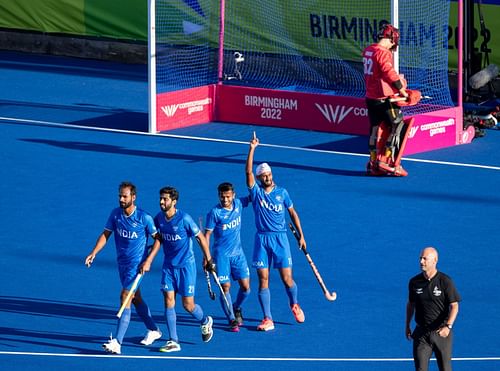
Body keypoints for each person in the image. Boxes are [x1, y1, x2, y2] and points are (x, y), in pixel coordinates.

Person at [85, 181, 163, 355]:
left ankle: (117, 342)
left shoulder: (144, 218)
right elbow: (106, 234)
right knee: (135, 298)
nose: (121, 199)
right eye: (120, 195)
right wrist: (94, 253)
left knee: (125, 296)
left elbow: (158, 239)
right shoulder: (115, 215)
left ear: (133, 197)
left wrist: (148, 260)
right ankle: (154, 329)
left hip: (137, 266)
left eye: (125, 196)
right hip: (122, 264)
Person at [245, 132, 306, 331]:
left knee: (286, 278)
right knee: (263, 279)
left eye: (269, 175)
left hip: (281, 239)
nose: (267, 178)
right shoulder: (256, 193)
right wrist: (252, 149)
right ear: (260, 178)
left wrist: (301, 236)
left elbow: (293, 213)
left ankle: (294, 304)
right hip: (262, 240)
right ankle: (267, 318)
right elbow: (247, 174)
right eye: (263, 176)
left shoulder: (283, 193)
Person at [152, 186, 215, 352]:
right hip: (168, 266)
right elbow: (156, 237)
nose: (161, 202)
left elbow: (200, 238)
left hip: (186, 267)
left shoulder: (184, 219)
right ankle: (173, 340)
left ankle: (205, 321)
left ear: (174, 201)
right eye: (160, 198)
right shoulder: (158, 218)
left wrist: (209, 259)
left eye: (165, 199)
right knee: (168, 300)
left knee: (188, 305)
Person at [362, 23, 409, 176]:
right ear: (391, 38)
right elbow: (388, 72)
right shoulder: (383, 53)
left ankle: (373, 162)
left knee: (375, 129)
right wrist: (402, 89)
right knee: (397, 124)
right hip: (383, 98)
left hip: (370, 97)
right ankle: (387, 161)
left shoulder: (368, 50)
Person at [204, 182, 251, 332]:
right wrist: (207, 256)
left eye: (227, 197)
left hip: (238, 254)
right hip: (221, 256)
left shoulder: (238, 204)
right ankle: (231, 319)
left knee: (246, 288)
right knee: (226, 288)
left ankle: (236, 307)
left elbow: (253, 197)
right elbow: (207, 235)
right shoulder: (214, 213)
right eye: (222, 197)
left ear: (233, 196)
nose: (224, 200)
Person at [405, 247, 461, 371]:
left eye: (425, 259)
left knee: (445, 369)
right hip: (421, 334)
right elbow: (411, 304)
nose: (421, 262)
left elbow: (455, 306)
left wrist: (448, 326)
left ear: (435, 260)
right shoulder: (414, 282)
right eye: (420, 258)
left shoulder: (445, 281)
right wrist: (407, 325)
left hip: (441, 333)